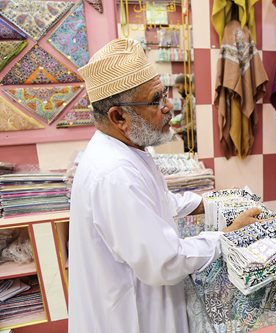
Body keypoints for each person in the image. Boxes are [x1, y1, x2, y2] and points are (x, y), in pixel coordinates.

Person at [68, 39, 259, 333]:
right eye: (156, 100)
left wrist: (210, 203)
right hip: (131, 319)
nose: (170, 106)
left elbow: (156, 202)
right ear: (119, 116)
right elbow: (166, 262)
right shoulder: (114, 174)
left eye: (165, 94)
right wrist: (227, 237)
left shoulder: (127, 148)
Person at [173, 74, 197, 152]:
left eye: (178, 87)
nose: (178, 90)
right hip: (187, 141)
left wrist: (179, 130)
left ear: (186, 85)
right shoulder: (187, 99)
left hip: (193, 144)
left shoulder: (192, 100)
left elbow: (195, 123)